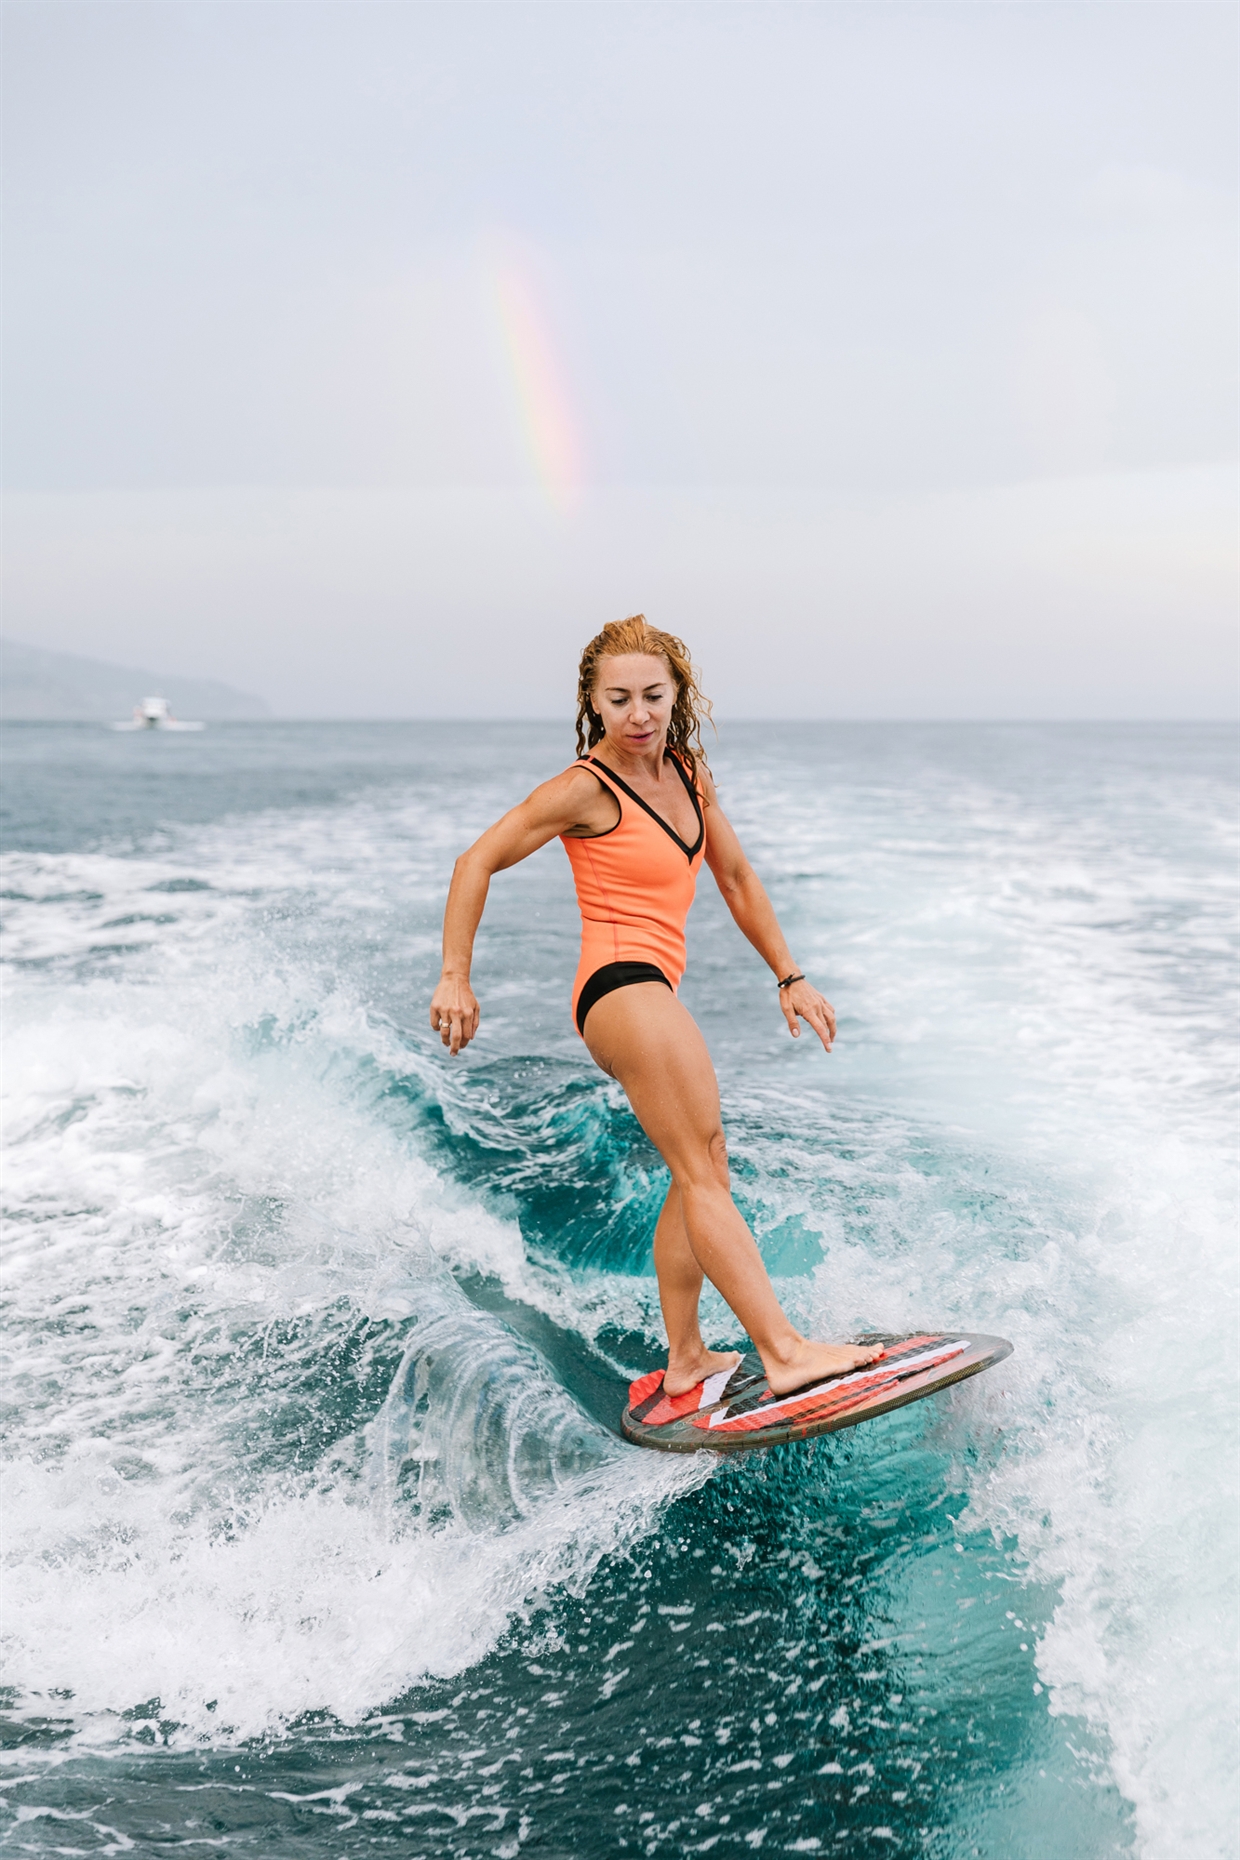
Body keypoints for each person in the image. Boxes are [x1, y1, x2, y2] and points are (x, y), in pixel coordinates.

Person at [430, 615, 883, 1400]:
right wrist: (454, 976)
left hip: (652, 990)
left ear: (677, 696)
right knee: (700, 1170)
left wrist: (790, 976)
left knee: (702, 1167)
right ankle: (783, 1352)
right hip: (618, 988)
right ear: (593, 704)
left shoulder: (686, 772)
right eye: (619, 699)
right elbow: (477, 861)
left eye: (652, 696)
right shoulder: (582, 788)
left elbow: (736, 879)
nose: (638, 714)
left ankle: (686, 1355)